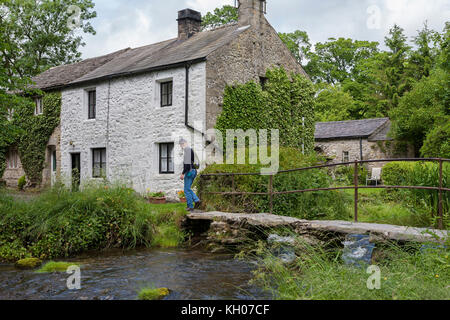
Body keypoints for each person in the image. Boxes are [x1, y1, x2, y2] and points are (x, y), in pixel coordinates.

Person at [179, 138, 200, 212]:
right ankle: (191, 204)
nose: (181, 146)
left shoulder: (187, 150)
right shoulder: (190, 150)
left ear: (184, 143)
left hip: (189, 172)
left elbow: (187, 165)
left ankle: (192, 205)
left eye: (181, 144)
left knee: (186, 190)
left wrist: (182, 173)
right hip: (193, 171)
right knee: (188, 189)